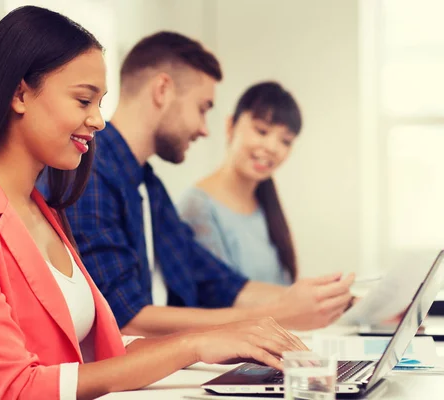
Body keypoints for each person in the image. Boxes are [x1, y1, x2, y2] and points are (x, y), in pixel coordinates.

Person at [0, 7, 306, 400]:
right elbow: (16, 388)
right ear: (20, 93)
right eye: (83, 100)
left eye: (99, 102)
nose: (98, 119)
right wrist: (194, 346)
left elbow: (103, 354)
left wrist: (221, 343)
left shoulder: (45, 209)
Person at [53, 31, 354, 338]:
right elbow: (126, 318)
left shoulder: (148, 185)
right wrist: (277, 313)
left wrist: (325, 298)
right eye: (202, 108)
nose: (204, 129)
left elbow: (217, 282)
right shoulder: (90, 171)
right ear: (162, 90)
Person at [178, 81, 301, 286]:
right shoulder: (197, 207)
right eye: (262, 131)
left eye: (285, 141)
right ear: (230, 126)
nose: (272, 147)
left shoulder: (266, 203)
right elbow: (220, 296)